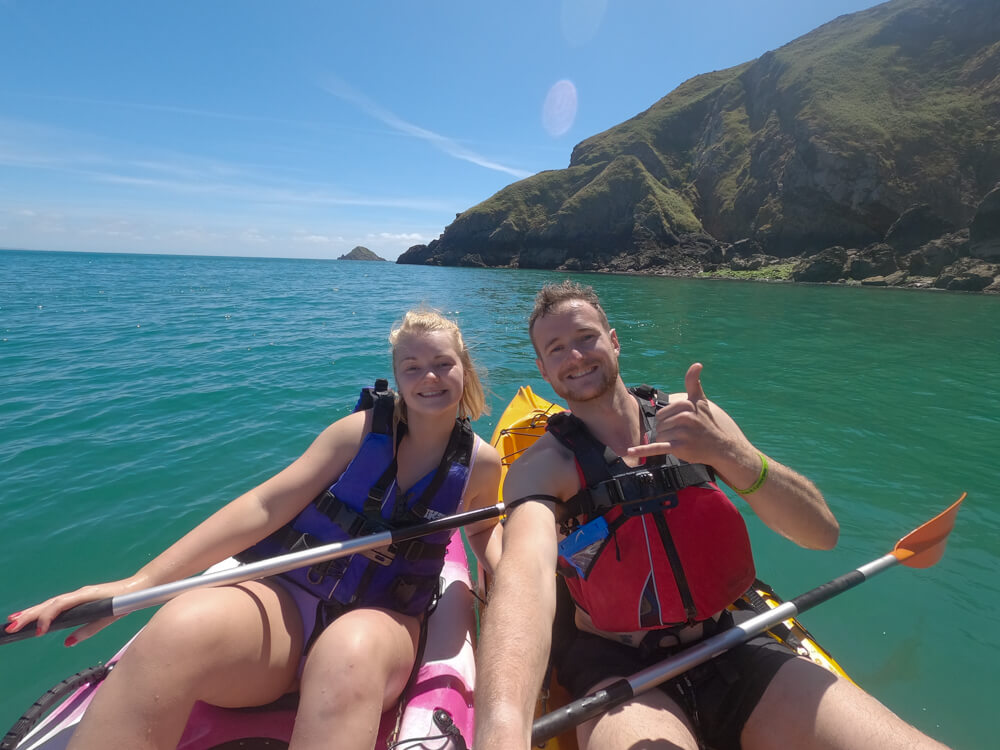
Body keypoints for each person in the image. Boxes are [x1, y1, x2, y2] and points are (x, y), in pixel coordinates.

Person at [474, 281, 949, 750]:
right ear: (542, 367)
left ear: (614, 340)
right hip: (617, 668)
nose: (575, 356)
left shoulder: (694, 419)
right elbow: (525, 581)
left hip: (731, 640)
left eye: (586, 337)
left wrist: (730, 454)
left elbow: (822, 534)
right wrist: (501, 723)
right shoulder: (541, 469)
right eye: (557, 349)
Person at [6, 309, 502, 750]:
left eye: (442, 363)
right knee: (180, 628)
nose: (429, 377)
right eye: (412, 367)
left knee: (346, 654)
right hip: (285, 607)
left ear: (464, 369)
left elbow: (481, 534)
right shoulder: (357, 434)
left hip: (379, 621)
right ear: (397, 377)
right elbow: (265, 506)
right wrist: (139, 586)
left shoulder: (481, 465)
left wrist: (503, 571)